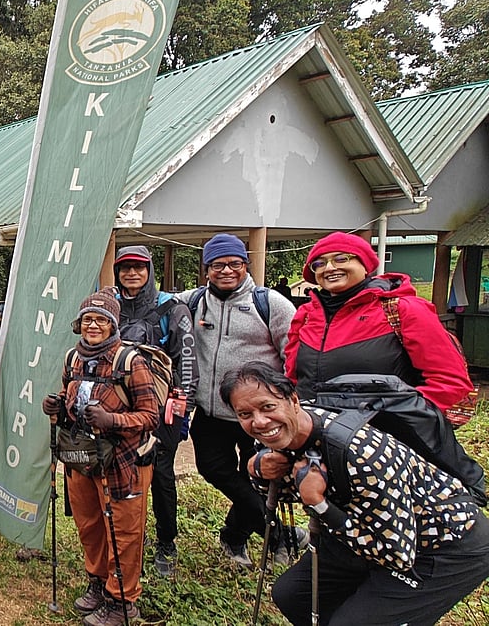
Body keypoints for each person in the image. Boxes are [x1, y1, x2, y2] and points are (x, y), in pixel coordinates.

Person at [223, 361, 489, 626]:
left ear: (293, 400)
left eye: (268, 407)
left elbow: (397, 555)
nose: (259, 421)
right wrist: (258, 470)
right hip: (366, 532)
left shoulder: (361, 456)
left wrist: (320, 504)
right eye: (245, 414)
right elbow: (283, 492)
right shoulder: (272, 435)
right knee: (293, 596)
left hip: (442, 546)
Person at [175, 233, 299, 569]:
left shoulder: (271, 303)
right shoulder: (193, 301)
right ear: (206, 270)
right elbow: (155, 305)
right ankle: (279, 534)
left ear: (245, 265)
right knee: (215, 469)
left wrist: (291, 402)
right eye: (217, 265)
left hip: (260, 414)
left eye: (234, 264)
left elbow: (294, 354)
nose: (226, 270)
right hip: (210, 411)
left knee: (261, 478)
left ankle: (235, 537)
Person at [42, 290, 159, 626]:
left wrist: (114, 421)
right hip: (82, 457)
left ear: (113, 324)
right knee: (90, 525)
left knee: (122, 530)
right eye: (88, 319)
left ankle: (122, 602)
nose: (94, 325)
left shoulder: (130, 361)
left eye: (101, 319)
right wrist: (57, 406)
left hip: (123, 462)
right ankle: (98, 583)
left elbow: (151, 416)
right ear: (79, 324)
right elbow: (70, 396)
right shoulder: (73, 359)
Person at [285, 231, 473, 410]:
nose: (330, 268)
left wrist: (395, 416)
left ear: (365, 264)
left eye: (341, 259)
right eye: (319, 263)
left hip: (384, 437)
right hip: (314, 433)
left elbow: (450, 383)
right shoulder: (306, 315)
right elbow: (295, 379)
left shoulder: (402, 310)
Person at [111, 246, 198, 577]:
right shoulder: (112, 308)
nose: (132, 273)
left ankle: (166, 542)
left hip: (162, 408)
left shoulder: (172, 308)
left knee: (161, 473)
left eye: (139, 267)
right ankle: (125, 538)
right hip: (119, 405)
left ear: (149, 270)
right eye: (125, 268)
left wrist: (183, 407)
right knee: (120, 471)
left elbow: (187, 359)